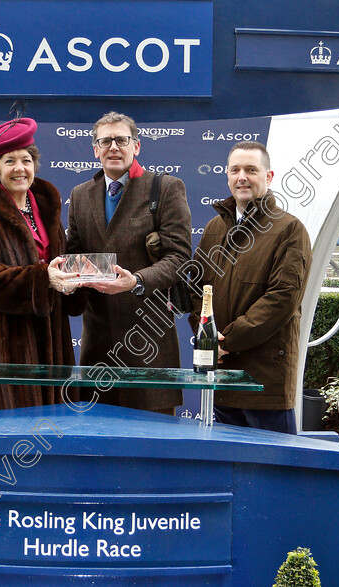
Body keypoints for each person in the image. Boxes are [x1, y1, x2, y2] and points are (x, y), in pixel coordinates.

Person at [66, 111, 192, 414]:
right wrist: (65, 277)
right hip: (97, 340)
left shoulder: (165, 188)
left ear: (136, 146)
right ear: (95, 149)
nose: (113, 147)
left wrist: (136, 280)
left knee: (154, 444)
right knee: (96, 442)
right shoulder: (80, 195)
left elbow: (179, 257)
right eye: (105, 141)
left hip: (148, 338)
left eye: (121, 140)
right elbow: (74, 257)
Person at [0, 117, 81, 411]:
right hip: (6, 339)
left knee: (54, 426)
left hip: (53, 336)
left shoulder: (47, 209)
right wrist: (42, 279)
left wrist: (77, 280)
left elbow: (55, 266)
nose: (19, 168)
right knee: (12, 428)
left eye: (26, 160)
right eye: (9, 161)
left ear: (35, 166)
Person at [189, 141, 311, 434]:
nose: (242, 177)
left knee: (275, 473)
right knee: (229, 471)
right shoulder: (214, 229)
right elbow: (197, 290)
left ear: (268, 177)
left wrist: (224, 341)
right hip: (221, 378)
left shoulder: (289, 229)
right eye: (235, 170)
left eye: (251, 170)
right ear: (228, 176)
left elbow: (282, 299)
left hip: (264, 381)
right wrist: (208, 337)